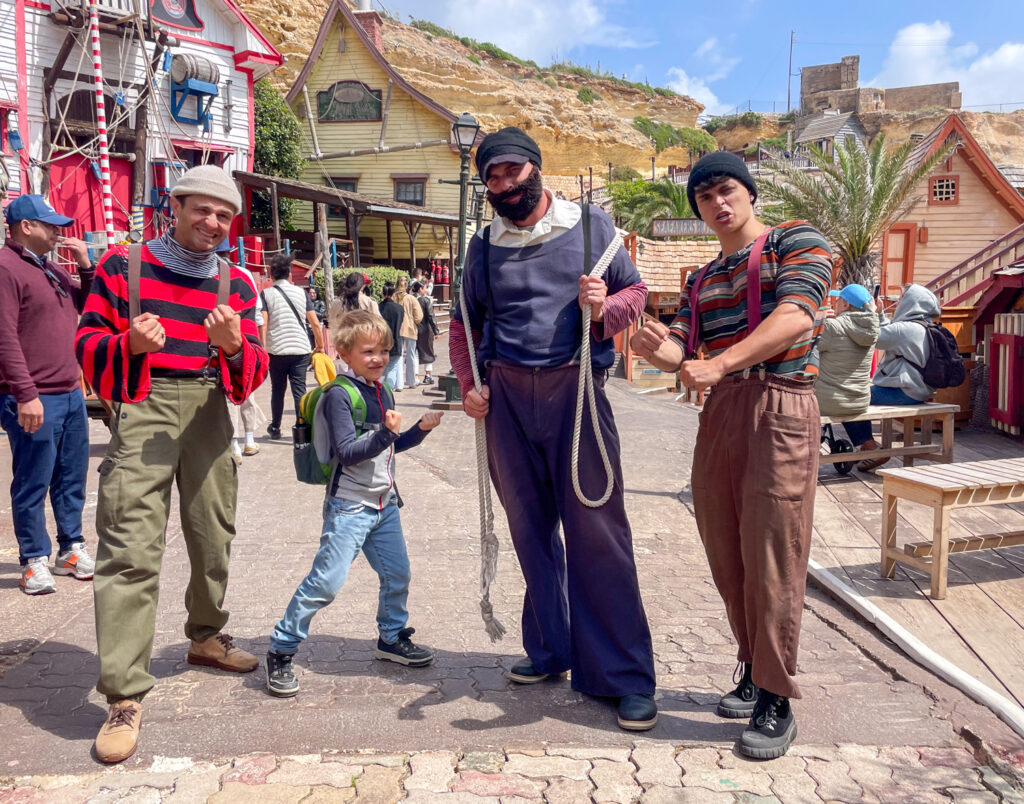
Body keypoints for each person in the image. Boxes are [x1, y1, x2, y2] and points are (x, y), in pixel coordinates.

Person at [450, 126, 657, 731]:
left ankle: (623, 677)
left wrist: (604, 307)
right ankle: (550, 650)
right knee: (530, 531)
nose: (503, 184)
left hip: (578, 395)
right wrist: (469, 385)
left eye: (512, 171)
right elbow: (466, 323)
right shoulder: (483, 246)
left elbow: (636, 295)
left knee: (599, 534)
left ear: (536, 169)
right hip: (509, 400)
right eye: (492, 176)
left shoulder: (592, 228)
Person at [630, 151, 832, 758]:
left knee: (774, 554)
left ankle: (777, 696)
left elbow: (798, 315)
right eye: (705, 197)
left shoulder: (794, 242)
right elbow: (684, 356)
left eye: (726, 191)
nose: (718, 204)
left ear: (749, 193)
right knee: (727, 551)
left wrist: (716, 364)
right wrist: (645, 342)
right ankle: (751, 667)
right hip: (721, 413)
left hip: (781, 404)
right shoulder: (700, 278)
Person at [75, 164, 269, 763]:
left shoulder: (236, 285)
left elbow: (252, 372)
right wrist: (126, 346)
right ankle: (124, 694)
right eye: (201, 209)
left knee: (214, 534)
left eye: (223, 214)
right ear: (175, 205)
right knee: (130, 548)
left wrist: (235, 346)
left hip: (210, 405)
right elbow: (85, 344)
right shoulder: (122, 267)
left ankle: (205, 637)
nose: (212, 222)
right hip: (143, 405)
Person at [265, 309, 443, 697]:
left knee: (398, 575)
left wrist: (419, 431)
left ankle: (391, 637)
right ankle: (281, 648)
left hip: (384, 505)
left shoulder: (383, 389)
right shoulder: (339, 397)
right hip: (349, 507)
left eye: (383, 350)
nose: (378, 358)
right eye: (368, 351)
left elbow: (391, 443)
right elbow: (347, 452)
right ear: (345, 353)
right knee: (325, 584)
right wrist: (388, 434)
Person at [0, 195, 96, 595]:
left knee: (71, 475)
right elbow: (4, 337)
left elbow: (87, 305)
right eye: (49, 225)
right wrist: (25, 394)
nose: (58, 231)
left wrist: (87, 265)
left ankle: (70, 547)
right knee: (33, 479)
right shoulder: (6, 268)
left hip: (69, 392)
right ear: (26, 226)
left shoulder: (49, 268)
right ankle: (33, 558)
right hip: (33, 395)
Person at [843, 283, 941, 472]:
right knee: (856, 394)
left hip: (903, 391)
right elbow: (889, 334)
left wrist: (870, 311)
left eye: (903, 298)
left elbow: (872, 337)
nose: (899, 302)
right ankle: (866, 445)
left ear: (912, 302)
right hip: (918, 390)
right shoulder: (925, 326)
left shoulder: (906, 329)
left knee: (849, 396)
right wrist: (879, 314)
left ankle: (868, 446)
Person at [260, 254, 324, 439]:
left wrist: (262, 349)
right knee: (299, 390)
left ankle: (276, 427)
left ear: (272, 275)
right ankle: (302, 429)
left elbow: (263, 324)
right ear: (289, 274)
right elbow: (314, 322)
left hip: (276, 350)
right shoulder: (301, 293)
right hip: (300, 349)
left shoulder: (266, 294)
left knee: (277, 390)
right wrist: (320, 345)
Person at [219, 240, 265, 460]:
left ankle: (234, 445)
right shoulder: (243, 274)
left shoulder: (206, 273)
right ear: (230, 251)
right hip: (243, 339)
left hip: (216, 342)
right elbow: (256, 314)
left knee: (228, 396)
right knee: (246, 390)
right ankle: (249, 440)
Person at [814, 283, 879, 419]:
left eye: (837, 300)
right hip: (860, 402)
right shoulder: (871, 331)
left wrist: (818, 319)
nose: (834, 303)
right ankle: (865, 440)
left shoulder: (832, 327)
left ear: (845, 305)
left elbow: (806, 347)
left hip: (829, 402)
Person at [395, 275, 423, 389]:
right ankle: (411, 381)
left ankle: (399, 384)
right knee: (411, 355)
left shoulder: (394, 297)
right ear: (407, 286)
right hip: (410, 329)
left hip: (397, 329)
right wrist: (415, 322)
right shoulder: (412, 299)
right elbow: (419, 316)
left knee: (399, 355)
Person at [378, 282, 405, 390]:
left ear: (382, 293)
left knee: (383, 370)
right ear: (393, 293)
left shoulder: (378, 308)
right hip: (396, 341)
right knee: (392, 368)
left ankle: (383, 390)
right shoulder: (399, 309)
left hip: (381, 343)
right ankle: (388, 391)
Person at [413, 281, 439, 385]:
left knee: (415, 354)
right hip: (426, 330)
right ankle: (428, 375)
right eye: (425, 288)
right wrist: (436, 330)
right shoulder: (426, 301)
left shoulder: (412, 300)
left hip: (415, 330)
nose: (426, 290)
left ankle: (415, 376)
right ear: (420, 289)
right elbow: (431, 316)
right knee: (428, 351)